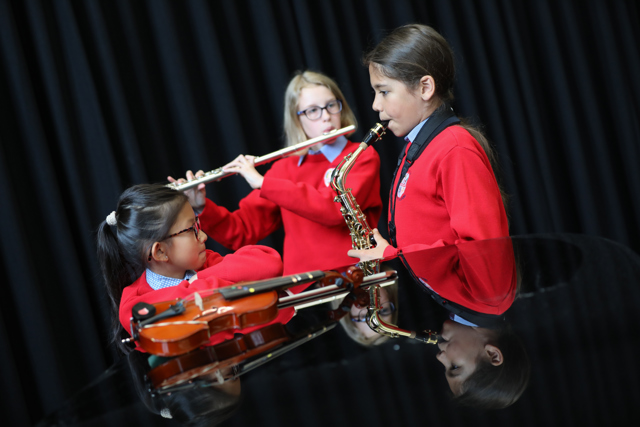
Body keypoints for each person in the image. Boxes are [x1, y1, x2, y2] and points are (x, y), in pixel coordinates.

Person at [347, 24, 525, 408]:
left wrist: (395, 254)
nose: (375, 106)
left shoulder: (453, 146)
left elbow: (480, 246)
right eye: (454, 368)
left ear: (424, 89)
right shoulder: (431, 144)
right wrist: (391, 249)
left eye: (383, 92)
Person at [170, 71, 382, 283]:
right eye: (313, 111)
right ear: (297, 119)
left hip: (354, 279)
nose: (326, 116)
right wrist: (202, 207)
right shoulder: (284, 168)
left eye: (331, 105)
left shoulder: (361, 156)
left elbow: (335, 210)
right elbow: (241, 231)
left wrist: (263, 183)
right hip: (303, 286)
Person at [96, 183, 286, 354]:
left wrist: (197, 281)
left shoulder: (205, 264)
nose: (203, 236)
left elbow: (269, 263)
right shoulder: (136, 305)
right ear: (160, 251)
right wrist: (207, 286)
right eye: (192, 230)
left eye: (198, 225)